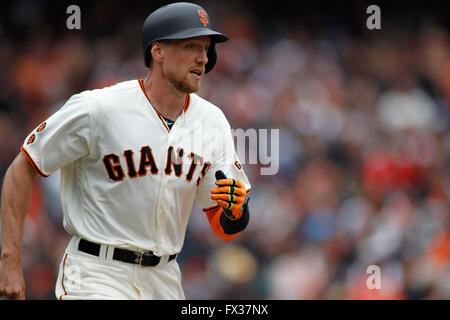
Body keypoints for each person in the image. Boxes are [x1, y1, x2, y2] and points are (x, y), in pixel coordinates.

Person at [0, 2, 251, 300]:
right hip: (96, 272)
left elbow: (224, 226)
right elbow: (24, 166)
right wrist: (10, 261)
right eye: (191, 45)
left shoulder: (212, 121)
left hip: (164, 279)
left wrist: (236, 213)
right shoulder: (99, 107)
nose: (203, 57)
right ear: (157, 51)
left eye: (207, 48)